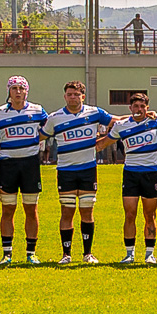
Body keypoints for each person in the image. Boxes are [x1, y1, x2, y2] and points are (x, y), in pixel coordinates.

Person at [48, 81, 115, 265]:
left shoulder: (94, 113)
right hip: (65, 171)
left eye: (76, 94)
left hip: (88, 170)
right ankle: (66, 254)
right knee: (67, 212)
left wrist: (142, 116)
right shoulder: (55, 117)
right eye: (69, 94)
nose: (72, 97)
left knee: (87, 212)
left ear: (82, 96)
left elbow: (117, 121)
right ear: (64, 96)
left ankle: (87, 254)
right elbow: (40, 135)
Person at [100, 92, 157, 263]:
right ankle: (129, 253)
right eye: (136, 106)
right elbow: (104, 142)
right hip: (130, 173)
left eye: (142, 106)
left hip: (151, 173)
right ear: (130, 108)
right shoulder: (121, 126)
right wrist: (82, 148)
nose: (139, 109)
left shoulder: (155, 122)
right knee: (130, 214)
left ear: (147, 108)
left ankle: (149, 254)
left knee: (149, 215)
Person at [0, 75, 49, 265]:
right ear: (9, 91)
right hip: (8, 165)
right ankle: (7, 254)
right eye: (14, 88)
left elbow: (51, 128)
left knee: (31, 210)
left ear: (27, 91)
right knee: (8, 210)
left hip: (30, 164)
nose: (18, 92)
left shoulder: (38, 110)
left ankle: (31, 253)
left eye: (21, 88)